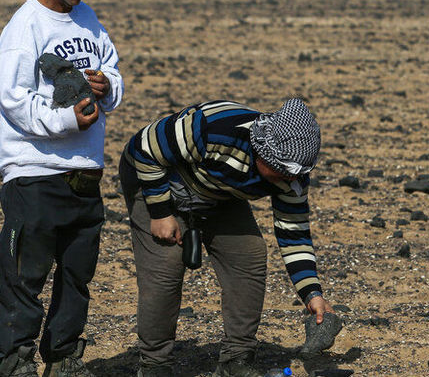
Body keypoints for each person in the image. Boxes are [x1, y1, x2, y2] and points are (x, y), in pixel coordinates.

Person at [119, 98, 335, 377]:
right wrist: (160, 213)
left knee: (249, 255)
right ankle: (155, 364)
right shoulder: (214, 129)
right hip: (154, 177)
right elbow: (145, 147)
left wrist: (312, 294)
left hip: (217, 189)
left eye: (296, 174)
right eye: (283, 170)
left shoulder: (292, 176)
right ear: (263, 152)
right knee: (165, 269)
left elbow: (294, 233)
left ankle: (236, 359)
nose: (289, 179)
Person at [0, 0, 124, 377]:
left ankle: (65, 358)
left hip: (85, 173)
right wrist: (69, 122)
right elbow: (13, 99)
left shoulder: (88, 20)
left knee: (76, 276)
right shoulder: (25, 25)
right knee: (24, 277)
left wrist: (107, 88)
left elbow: (114, 72)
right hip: (34, 172)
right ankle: (15, 362)